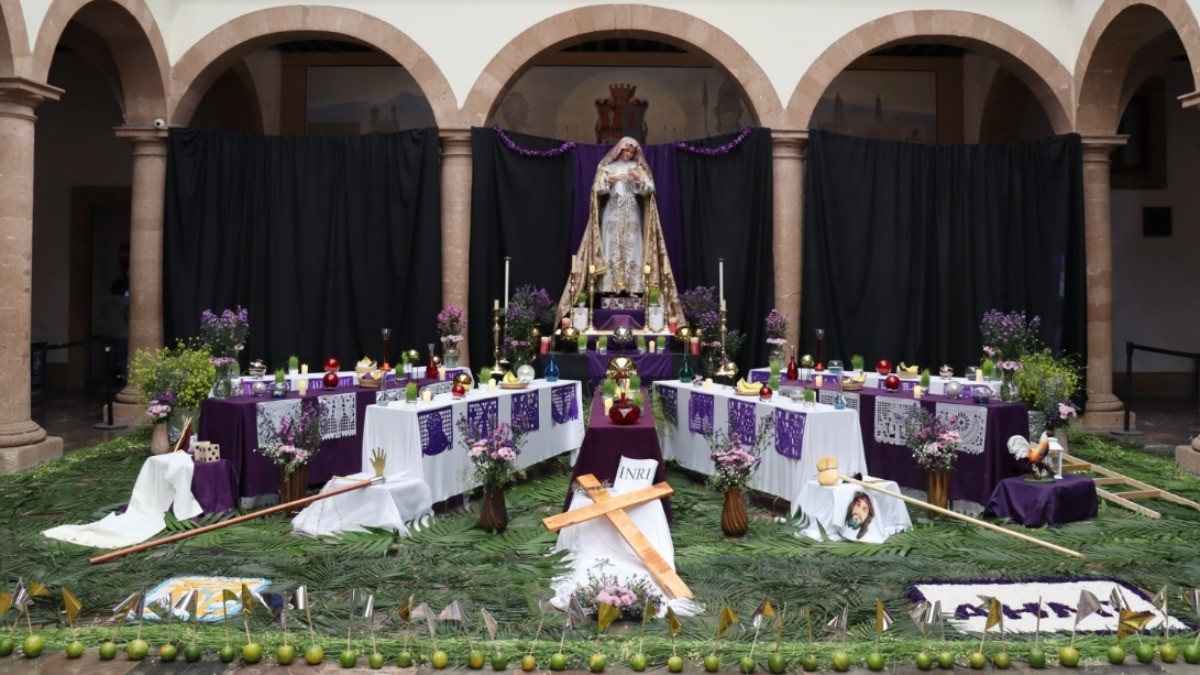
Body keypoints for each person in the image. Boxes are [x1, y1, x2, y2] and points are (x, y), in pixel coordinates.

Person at [556, 137, 683, 324]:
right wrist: (610, 179)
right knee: (612, 247)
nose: (629, 154)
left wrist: (638, 178)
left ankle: (633, 287)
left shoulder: (638, 168)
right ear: (619, 150)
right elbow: (597, 191)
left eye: (631, 152)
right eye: (626, 151)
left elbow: (650, 190)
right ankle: (611, 287)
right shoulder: (607, 167)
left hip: (631, 212)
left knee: (632, 248)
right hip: (612, 214)